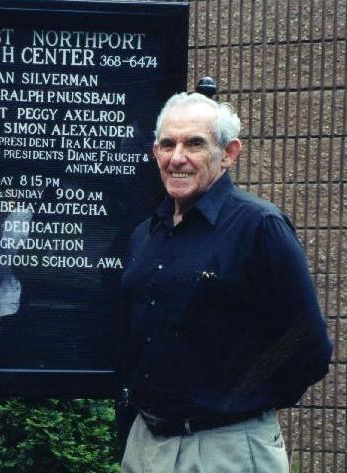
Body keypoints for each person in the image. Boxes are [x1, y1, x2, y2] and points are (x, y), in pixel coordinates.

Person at [118, 92, 332, 473]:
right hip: (146, 445)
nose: (177, 157)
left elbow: (308, 346)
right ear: (155, 152)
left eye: (195, 143)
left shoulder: (259, 227)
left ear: (229, 153)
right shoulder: (145, 235)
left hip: (226, 449)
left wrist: (242, 404)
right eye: (168, 144)